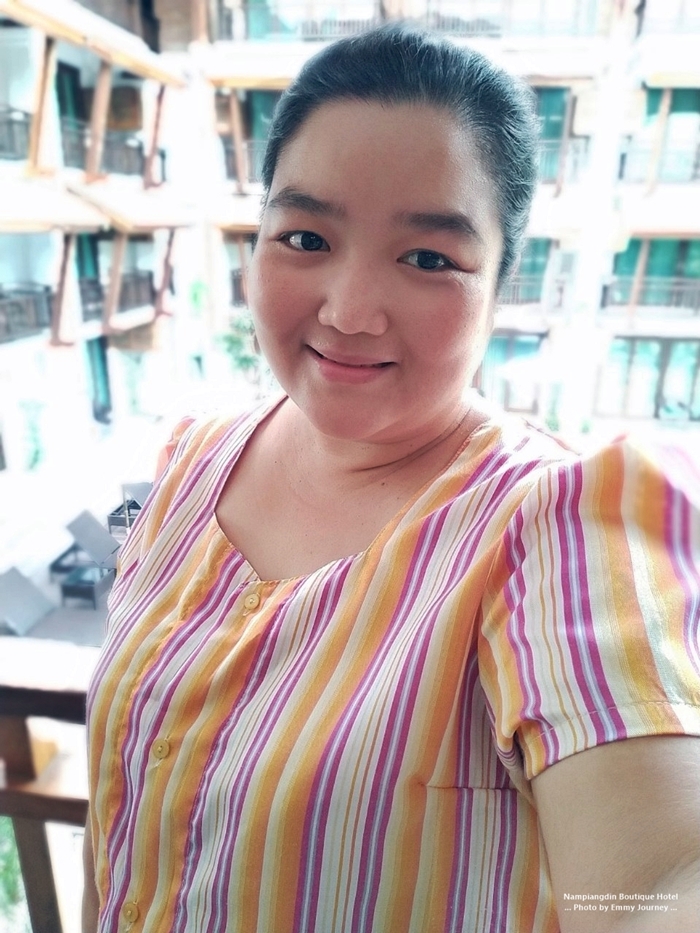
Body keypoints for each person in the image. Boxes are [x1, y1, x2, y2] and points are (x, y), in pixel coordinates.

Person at [83, 25, 700, 933]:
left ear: (500, 284)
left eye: (428, 258)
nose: (348, 311)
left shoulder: (555, 523)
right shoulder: (192, 461)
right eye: (305, 237)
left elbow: (656, 879)